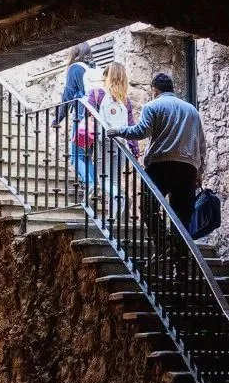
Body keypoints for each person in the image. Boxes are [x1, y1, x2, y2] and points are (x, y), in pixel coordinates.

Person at [106, 72, 206, 240]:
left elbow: (141, 131)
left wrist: (118, 131)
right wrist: (200, 172)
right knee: (182, 216)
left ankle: (162, 241)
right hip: (188, 168)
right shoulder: (192, 111)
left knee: (147, 207)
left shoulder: (152, 106)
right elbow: (201, 144)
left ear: (154, 89)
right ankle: (179, 253)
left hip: (160, 165)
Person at [55, 43, 96, 189]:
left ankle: (90, 183)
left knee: (76, 157)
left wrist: (58, 118)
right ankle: (96, 185)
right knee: (87, 157)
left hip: (82, 118)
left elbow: (68, 95)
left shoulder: (75, 68)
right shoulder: (94, 68)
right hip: (95, 118)